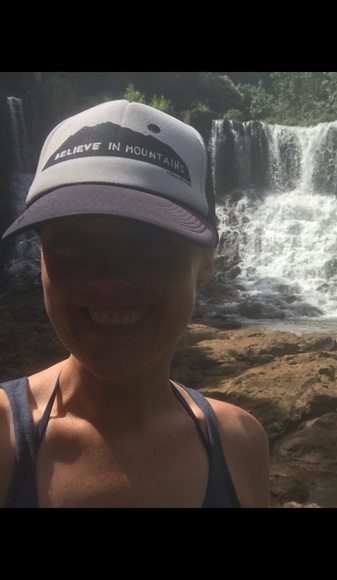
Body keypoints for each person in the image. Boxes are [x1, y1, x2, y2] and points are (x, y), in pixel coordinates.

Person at [0, 99, 270, 508]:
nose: (107, 278)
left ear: (207, 262)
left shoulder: (241, 443)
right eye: (70, 239)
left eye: (150, 239)